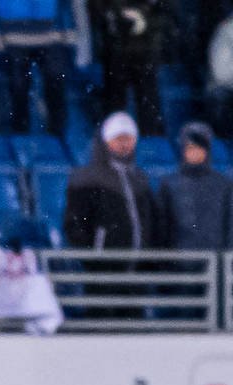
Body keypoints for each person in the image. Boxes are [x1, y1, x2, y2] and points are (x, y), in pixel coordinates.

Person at [64, 111, 160, 251]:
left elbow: (153, 224)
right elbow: (75, 227)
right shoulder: (86, 179)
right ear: (106, 140)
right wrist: (92, 258)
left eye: (128, 138)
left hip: (140, 268)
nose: (124, 144)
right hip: (101, 268)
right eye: (118, 138)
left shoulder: (140, 178)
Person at [0, 0, 77, 136]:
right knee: (17, 88)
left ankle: (57, 133)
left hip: (53, 34)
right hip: (11, 35)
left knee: (55, 83)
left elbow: (67, 5)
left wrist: (69, 31)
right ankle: (19, 134)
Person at [157, 122, 233, 251]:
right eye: (191, 148)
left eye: (200, 148)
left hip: (215, 263)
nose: (195, 152)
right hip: (178, 264)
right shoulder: (169, 184)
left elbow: (230, 226)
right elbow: (162, 228)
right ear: (183, 150)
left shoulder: (224, 185)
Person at [95, 0, 168, 135]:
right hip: (116, 48)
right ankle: (111, 142)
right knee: (115, 101)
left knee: (148, 101)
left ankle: (151, 144)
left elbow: (163, 10)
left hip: (147, 47)